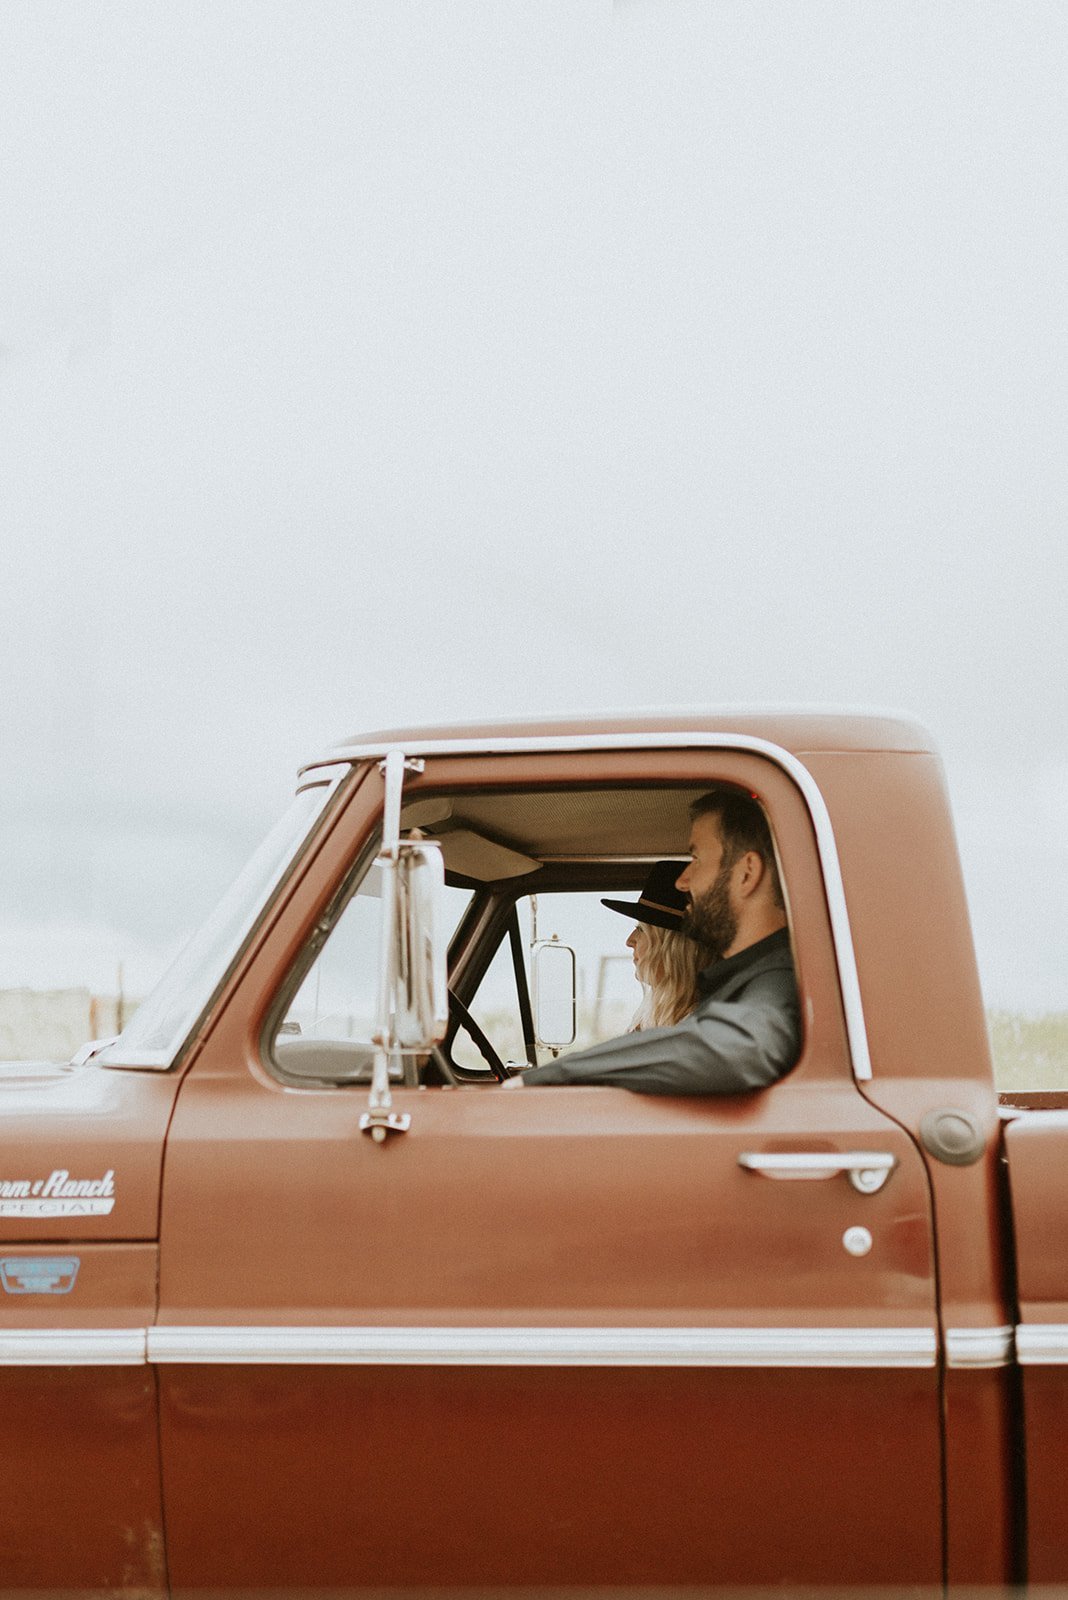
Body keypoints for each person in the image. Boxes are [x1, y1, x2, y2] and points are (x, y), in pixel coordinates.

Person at [509, 784, 800, 1094]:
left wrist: (543, 1079)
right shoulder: (744, 981)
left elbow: (741, 1050)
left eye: (696, 859)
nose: (683, 881)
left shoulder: (777, 981)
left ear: (746, 873)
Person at [600, 860, 715, 1029]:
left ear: (673, 946)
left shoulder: (702, 1024)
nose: (629, 941)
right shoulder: (665, 1013)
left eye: (641, 929)